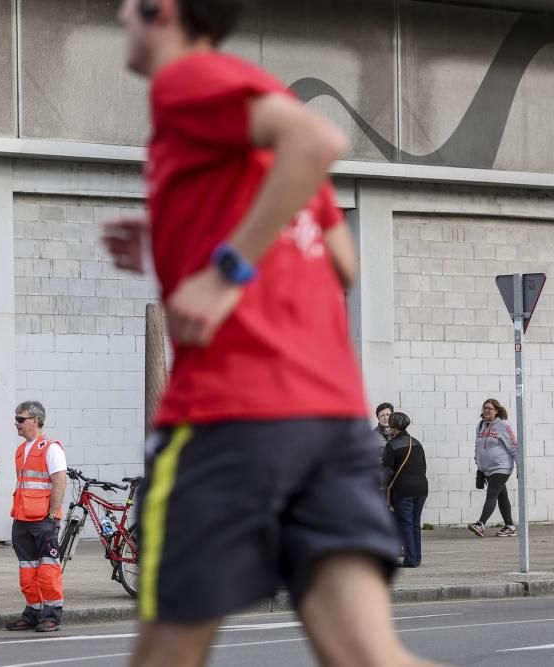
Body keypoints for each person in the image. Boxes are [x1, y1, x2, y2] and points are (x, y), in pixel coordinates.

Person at [103, 1, 437, 665]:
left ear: (162, 12)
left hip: (230, 420)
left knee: (165, 653)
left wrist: (225, 268)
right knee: (369, 655)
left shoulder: (186, 79)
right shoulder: (278, 173)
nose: (119, 17)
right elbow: (343, 262)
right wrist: (176, 231)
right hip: (331, 424)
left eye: (130, 7)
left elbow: (316, 140)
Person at [5, 400, 68, 633]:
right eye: (16, 418)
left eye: (21, 419)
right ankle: (32, 613)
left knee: (48, 570)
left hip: (43, 520)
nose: (16, 423)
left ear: (36, 420)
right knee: (27, 570)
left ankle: (51, 616)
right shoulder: (21, 450)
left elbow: (59, 481)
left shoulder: (51, 448)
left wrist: (52, 515)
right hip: (22, 519)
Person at [382, 412, 428, 568]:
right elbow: (423, 466)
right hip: (421, 488)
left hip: (403, 490)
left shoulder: (392, 445)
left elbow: (386, 472)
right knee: (415, 523)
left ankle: (411, 559)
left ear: (394, 427)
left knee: (405, 524)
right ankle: (416, 557)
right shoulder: (416, 442)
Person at [468, 398, 518, 538]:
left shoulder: (503, 425)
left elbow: (514, 446)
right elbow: (478, 445)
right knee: (502, 497)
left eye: (489, 408)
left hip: (501, 467)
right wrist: (479, 464)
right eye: (484, 408)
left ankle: (481, 524)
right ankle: (510, 526)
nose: (486, 410)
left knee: (492, 494)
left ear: (497, 411)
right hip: (487, 469)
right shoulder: (481, 425)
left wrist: (520, 466)